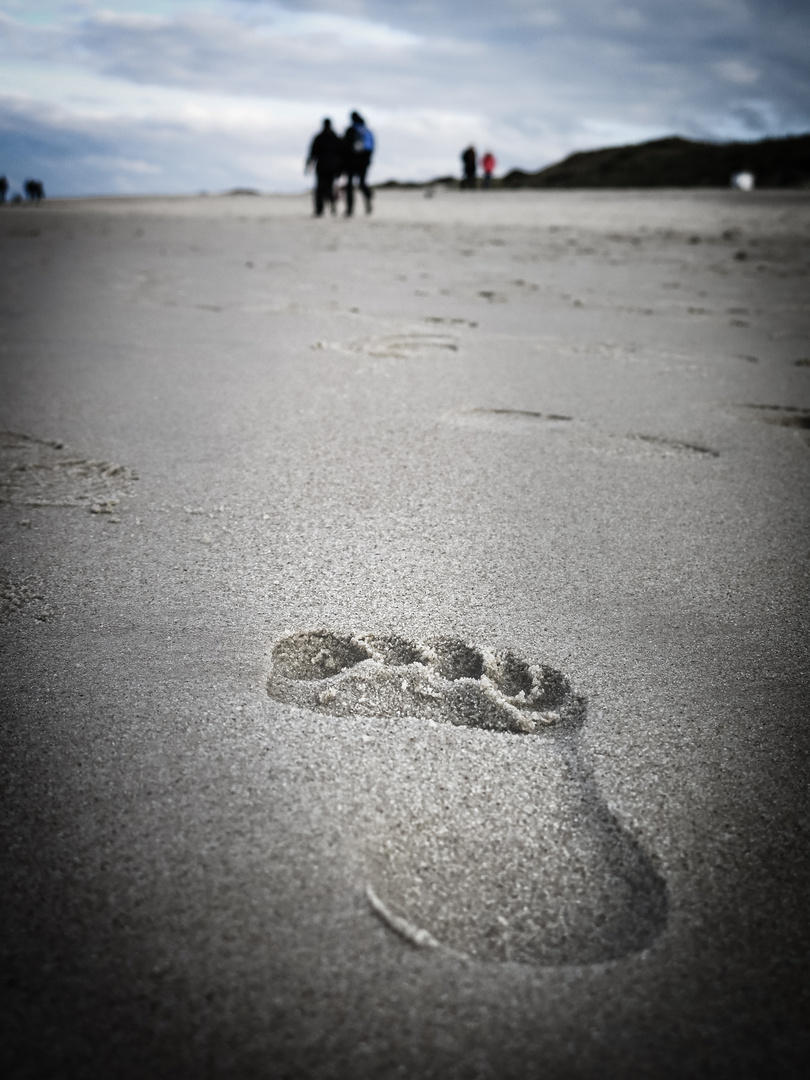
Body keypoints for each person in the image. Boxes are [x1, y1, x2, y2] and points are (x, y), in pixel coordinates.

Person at [306, 119, 342, 217]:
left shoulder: (319, 137)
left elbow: (312, 153)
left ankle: (319, 210)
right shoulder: (336, 137)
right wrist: (340, 169)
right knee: (329, 187)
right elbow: (341, 154)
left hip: (322, 166)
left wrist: (308, 165)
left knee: (320, 188)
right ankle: (331, 205)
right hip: (332, 166)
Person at [343, 111, 374, 216]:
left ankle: (350, 208)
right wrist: (368, 161)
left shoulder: (351, 130)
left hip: (351, 162)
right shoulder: (366, 131)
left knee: (349, 185)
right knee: (362, 183)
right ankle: (368, 199)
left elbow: (345, 147)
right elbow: (371, 148)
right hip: (363, 162)